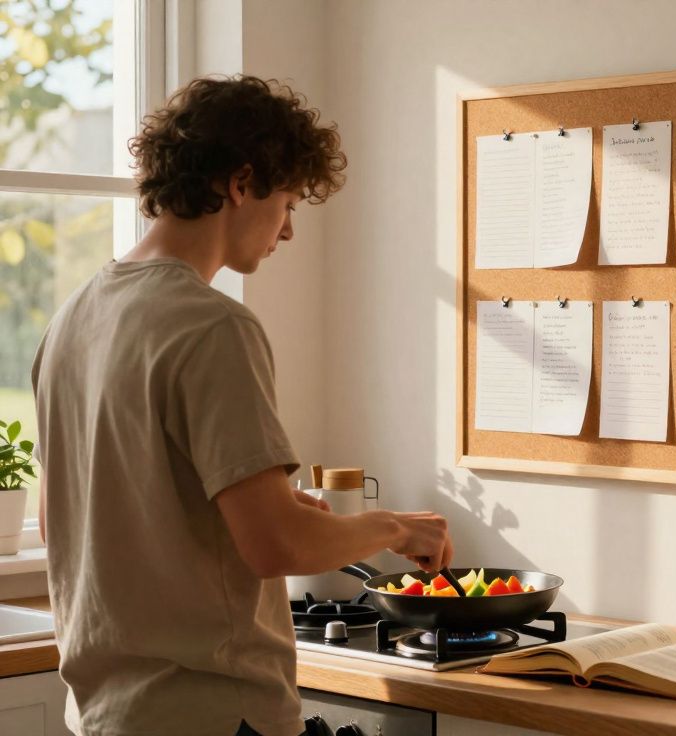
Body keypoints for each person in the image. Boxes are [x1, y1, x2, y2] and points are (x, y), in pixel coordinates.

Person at [31, 76, 453, 736]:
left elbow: (68, 524)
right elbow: (276, 546)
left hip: (103, 716)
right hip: (212, 716)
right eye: (286, 202)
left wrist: (264, 514)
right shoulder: (213, 327)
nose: (287, 229)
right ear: (240, 182)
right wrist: (396, 529)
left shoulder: (73, 317)